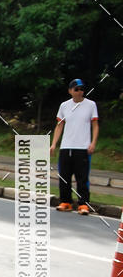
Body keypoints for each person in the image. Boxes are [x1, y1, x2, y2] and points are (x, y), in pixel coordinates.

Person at [50, 78, 99, 214]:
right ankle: (65, 202)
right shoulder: (64, 106)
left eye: (81, 89)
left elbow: (95, 125)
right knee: (64, 176)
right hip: (66, 147)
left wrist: (93, 142)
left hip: (83, 147)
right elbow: (59, 126)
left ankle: (83, 204)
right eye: (76, 89)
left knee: (82, 177)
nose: (79, 92)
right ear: (70, 91)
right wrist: (54, 144)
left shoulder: (91, 105)